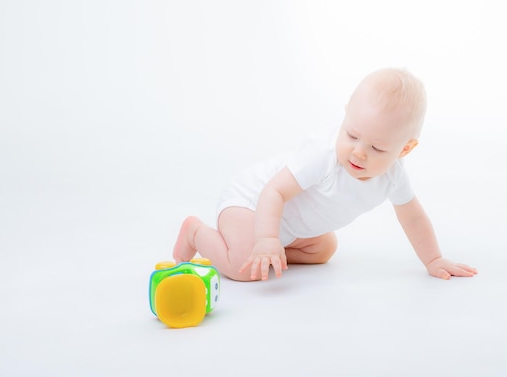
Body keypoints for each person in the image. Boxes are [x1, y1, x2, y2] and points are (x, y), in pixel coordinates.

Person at [173, 68, 478, 282]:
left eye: (377, 148)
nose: (359, 152)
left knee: (324, 249)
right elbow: (273, 192)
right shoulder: (323, 156)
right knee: (242, 267)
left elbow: (413, 218)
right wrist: (266, 238)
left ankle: (272, 249)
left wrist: (433, 259)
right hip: (249, 203)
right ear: (346, 114)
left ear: (405, 149)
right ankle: (196, 232)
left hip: (288, 226)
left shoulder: (394, 176)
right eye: (353, 134)